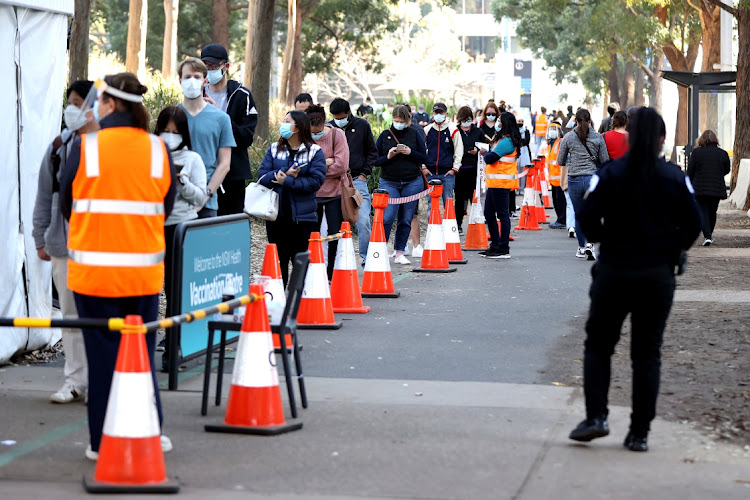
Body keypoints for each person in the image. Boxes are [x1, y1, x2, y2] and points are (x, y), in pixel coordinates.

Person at [569, 107, 701, 452]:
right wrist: (673, 249)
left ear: (629, 137)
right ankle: (639, 432)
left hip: (614, 271)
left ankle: (596, 417)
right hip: (657, 275)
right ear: (662, 139)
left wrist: (605, 239)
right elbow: (693, 223)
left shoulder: (611, 174)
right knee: (647, 353)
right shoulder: (674, 177)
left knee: (599, 345)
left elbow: (585, 214)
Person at [59, 73, 176, 460]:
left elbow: (66, 206)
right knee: (140, 355)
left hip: (93, 276)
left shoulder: (85, 147)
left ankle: (101, 441)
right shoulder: (158, 149)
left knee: (103, 358)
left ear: (108, 103)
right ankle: (149, 431)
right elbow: (166, 208)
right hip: (142, 275)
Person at [32, 80, 97, 404]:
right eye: (69, 101)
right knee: (70, 316)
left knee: (98, 316)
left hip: (100, 249)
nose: (71, 108)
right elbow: (45, 195)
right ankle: (74, 381)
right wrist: (40, 236)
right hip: (63, 245)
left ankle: (99, 380)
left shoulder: (106, 146)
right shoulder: (59, 146)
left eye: (77, 102)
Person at [154, 106, 207, 369]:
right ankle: (146, 338)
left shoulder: (193, 159)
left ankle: (173, 347)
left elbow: (201, 197)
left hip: (181, 228)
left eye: (175, 132)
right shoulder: (150, 154)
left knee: (175, 288)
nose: (170, 136)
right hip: (151, 227)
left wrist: (182, 182)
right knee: (151, 287)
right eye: (165, 130)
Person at [258, 111, 326, 286]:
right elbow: (261, 177)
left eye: (287, 121)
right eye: (283, 121)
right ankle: (279, 302)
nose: (283, 124)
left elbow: (316, 181)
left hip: (303, 218)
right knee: (278, 261)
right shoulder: (274, 149)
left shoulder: (314, 152)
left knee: (300, 261)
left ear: (298, 127)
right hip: (275, 216)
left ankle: (299, 303)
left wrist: (287, 181)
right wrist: (280, 175)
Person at [200, 43, 258, 216]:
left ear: (226, 67)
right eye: (206, 66)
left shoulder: (242, 96)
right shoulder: (197, 94)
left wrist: (219, 115)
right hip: (203, 172)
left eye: (214, 66)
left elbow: (246, 138)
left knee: (229, 225)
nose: (210, 70)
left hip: (233, 175)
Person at [177, 57, 235, 218]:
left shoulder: (221, 119)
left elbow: (224, 164)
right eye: (188, 77)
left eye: (197, 77)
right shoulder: (171, 117)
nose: (192, 81)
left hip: (207, 203)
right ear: (180, 80)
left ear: (205, 81)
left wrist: (205, 194)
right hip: (175, 202)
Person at [375, 105, 427, 265]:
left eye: (401, 121)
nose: (398, 124)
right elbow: (376, 160)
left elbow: (424, 157)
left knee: (406, 217)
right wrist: (389, 156)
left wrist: (411, 153)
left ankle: (399, 251)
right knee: (388, 216)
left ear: (407, 120)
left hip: (412, 181)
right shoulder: (385, 135)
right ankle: (379, 249)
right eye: (396, 121)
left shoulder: (414, 134)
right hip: (389, 181)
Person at [329, 98, 378, 264]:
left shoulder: (362, 126)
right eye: (335, 117)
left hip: (357, 180)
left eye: (341, 116)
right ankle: (336, 259)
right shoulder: (329, 128)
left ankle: (366, 257)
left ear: (348, 113)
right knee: (334, 222)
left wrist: (365, 174)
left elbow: (372, 152)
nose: (338, 119)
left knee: (363, 220)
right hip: (334, 181)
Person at [557, 108, 609, 260]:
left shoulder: (568, 137)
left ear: (576, 121)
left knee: (579, 215)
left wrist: (573, 158)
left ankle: (582, 246)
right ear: (590, 120)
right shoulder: (598, 137)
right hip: (592, 180)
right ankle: (591, 244)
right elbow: (605, 160)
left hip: (574, 180)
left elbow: (560, 161)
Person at [306, 104, 349, 280]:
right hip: (312, 193)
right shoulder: (303, 136)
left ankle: (331, 271)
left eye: (317, 131)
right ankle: (313, 270)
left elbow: (341, 165)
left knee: (334, 234)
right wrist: (326, 162)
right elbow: (302, 165)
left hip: (335, 193)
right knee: (311, 234)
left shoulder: (337, 135)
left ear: (324, 123)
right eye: (311, 132)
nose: (314, 135)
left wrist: (315, 168)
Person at [480, 112, 521, 259]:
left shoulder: (507, 141)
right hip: (496, 183)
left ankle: (503, 248)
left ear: (504, 123)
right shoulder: (504, 140)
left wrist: (484, 152)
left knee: (502, 215)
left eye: (499, 120)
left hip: (500, 183)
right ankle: (495, 245)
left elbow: (491, 158)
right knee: (489, 214)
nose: (497, 122)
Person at [687, 130, 731, 246]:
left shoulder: (696, 153)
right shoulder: (723, 153)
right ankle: (709, 234)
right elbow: (726, 169)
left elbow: (690, 170)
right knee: (712, 211)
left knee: (703, 211)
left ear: (701, 140)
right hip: (716, 188)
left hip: (700, 189)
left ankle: (707, 235)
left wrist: (689, 185)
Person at [423, 102, 463, 208]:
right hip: (430, 173)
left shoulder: (453, 130)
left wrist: (454, 169)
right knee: (431, 204)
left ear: (446, 113)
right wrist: (423, 167)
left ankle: (449, 225)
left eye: (441, 112)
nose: (438, 115)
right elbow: (422, 149)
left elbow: (459, 150)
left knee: (448, 203)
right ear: (433, 113)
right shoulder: (427, 130)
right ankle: (432, 225)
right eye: (436, 112)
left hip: (447, 174)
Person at [455, 106, 484, 233]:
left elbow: (485, 146)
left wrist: (477, 151)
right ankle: (458, 224)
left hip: (474, 169)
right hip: (459, 170)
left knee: (475, 198)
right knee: (460, 199)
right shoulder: (455, 131)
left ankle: (477, 222)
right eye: (464, 119)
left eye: (468, 119)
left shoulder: (477, 131)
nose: (466, 122)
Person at [545, 122, 566, 229]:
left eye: (554, 129)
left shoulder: (560, 142)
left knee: (560, 200)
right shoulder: (550, 144)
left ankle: (562, 219)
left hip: (560, 178)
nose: (552, 131)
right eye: (550, 129)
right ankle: (560, 219)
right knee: (556, 200)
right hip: (553, 179)